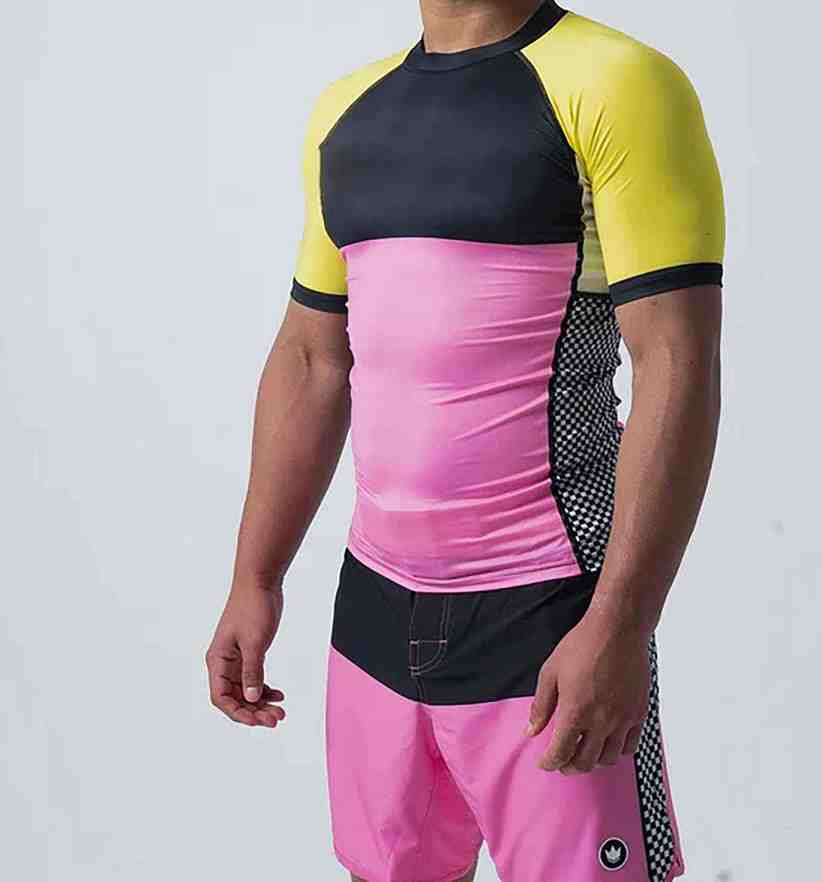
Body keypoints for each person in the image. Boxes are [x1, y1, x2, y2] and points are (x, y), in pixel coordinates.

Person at [205, 1, 725, 880]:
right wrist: (254, 578)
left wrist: (621, 624)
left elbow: (677, 362)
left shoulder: (618, 83)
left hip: (547, 605)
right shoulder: (347, 111)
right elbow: (310, 358)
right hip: (374, 608)